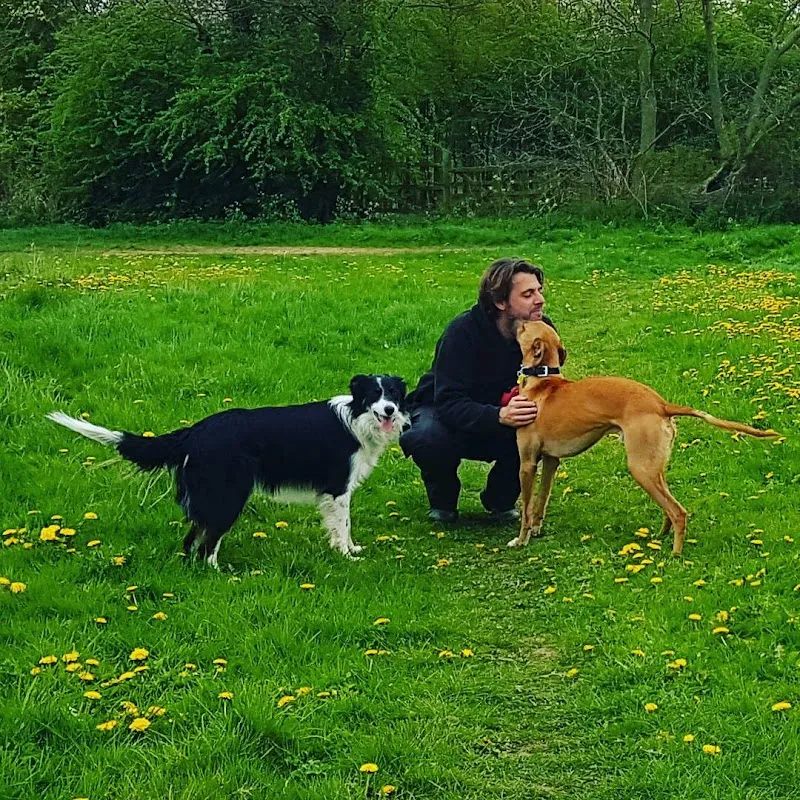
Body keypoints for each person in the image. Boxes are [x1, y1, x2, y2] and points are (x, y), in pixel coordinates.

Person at [400, 257, 563, 523]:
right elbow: (448, 401)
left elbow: (551, 385)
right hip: (448, 414)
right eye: (528, 294)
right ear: (500, 302)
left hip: (505, 413)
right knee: (426, 435)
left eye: (539, 291)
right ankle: (443, 500)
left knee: (542, 426)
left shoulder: (542, 331)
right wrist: (498, 415)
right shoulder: (461, 333)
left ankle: (500, 499)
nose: (540, 299)